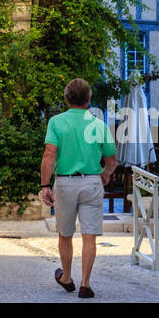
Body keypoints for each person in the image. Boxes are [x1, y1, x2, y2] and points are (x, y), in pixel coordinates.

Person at [39, 78, 116, 298]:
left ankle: (66, 277)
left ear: (66, 99)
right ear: (89, 100)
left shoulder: (56, 123)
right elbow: (111, 160)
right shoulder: (98, 125)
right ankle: (85, 283)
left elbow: (49, 154)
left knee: (65, 234)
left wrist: (45, 185)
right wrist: (105, 175)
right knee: (89, 236)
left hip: (65, 182)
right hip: (92, 182)